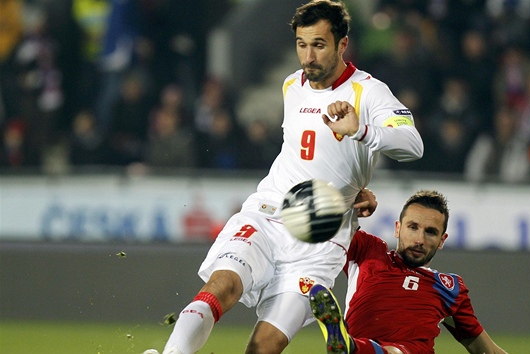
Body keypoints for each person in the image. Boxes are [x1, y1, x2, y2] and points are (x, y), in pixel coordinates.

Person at [144, 1, 423, 353]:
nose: (308, 56)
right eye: (301, 45)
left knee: (264, 346)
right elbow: (308, 155)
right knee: (222, 287)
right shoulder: (292, 84)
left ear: (341, 44)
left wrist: (362, 130)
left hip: (321, 241)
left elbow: (413, 144)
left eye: (319, 45)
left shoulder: (368, 92)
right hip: (269, 213)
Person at [309, 190, 507, 354]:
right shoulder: (369, 251)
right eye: (413, 227)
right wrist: (351, 200)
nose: (419, 239)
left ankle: (349, 347)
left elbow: (486, 350)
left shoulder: (450, 287)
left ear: (442, 240)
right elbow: (321, 220)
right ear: (398, 228)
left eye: (430, 232)